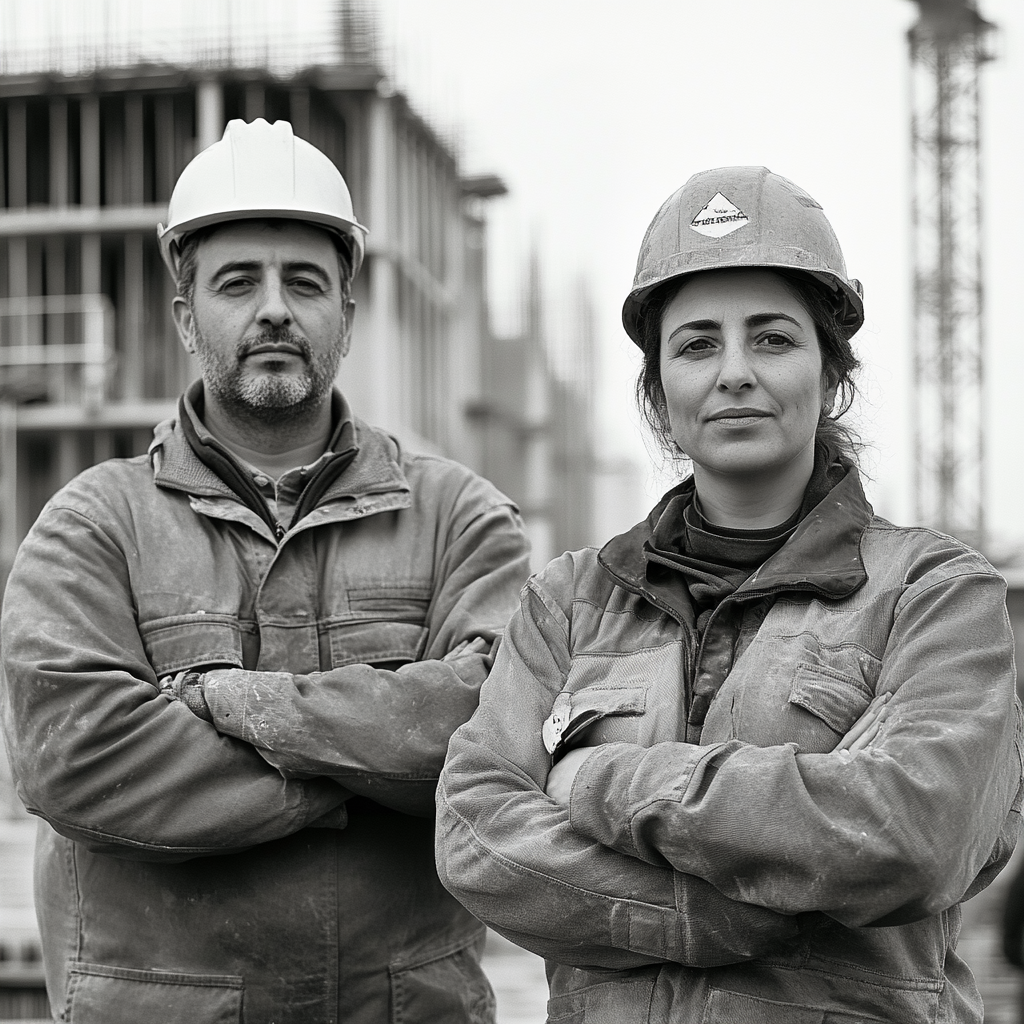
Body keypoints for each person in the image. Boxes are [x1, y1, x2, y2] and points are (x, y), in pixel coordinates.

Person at [436, 165, 1024, 1023]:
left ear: (831, 375)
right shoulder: (568, 602)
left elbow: (912, 835)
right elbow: (478, 839)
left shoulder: (933, 595)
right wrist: (711, 911)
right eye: (698, 343)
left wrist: (605, 779)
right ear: (658, 390)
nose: (735, 372)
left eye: (773, 339)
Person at [0, 118, 530, 1024]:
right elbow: (78, 759)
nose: (275, 308)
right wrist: (368, 763)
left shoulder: (459, 519)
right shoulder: (93, 526)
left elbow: (491, 734)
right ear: (186, 315)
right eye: (239, 281)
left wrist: (236, 704)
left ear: (347, 316)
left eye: (305, 282)